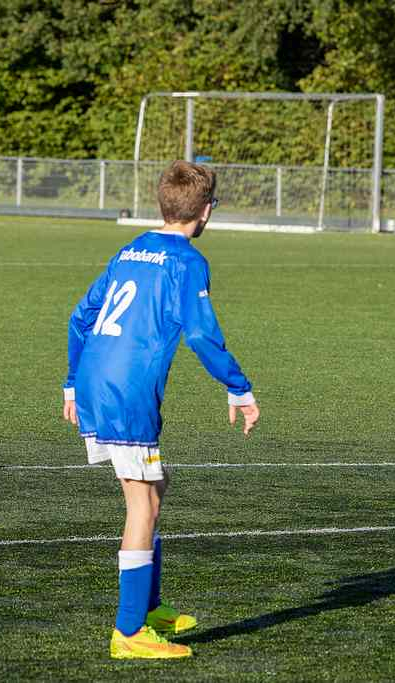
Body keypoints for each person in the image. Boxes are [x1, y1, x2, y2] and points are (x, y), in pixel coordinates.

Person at [62, 160, 260, 659]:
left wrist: (70, 383)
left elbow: (79, 317)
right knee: (142, 503)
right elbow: (199, 333)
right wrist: (238, 387)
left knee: (156, 487)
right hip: (125, 394)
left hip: (96, 380)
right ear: (206, 211)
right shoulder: (186, 260)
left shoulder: (130, 250)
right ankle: (129, 633)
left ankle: (149, 608)